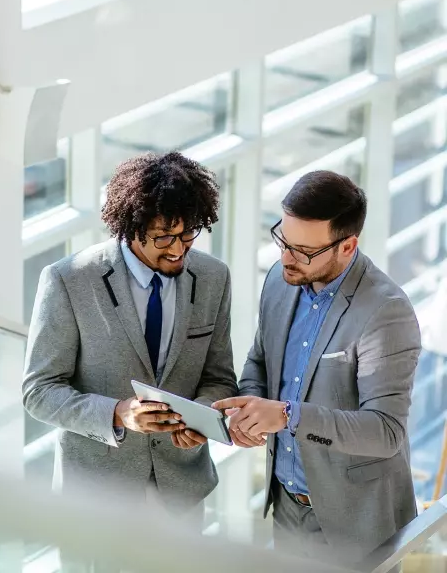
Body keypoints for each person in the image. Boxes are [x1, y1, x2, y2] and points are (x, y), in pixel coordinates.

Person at [213, 170, 421, 566]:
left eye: (304, 251)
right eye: (283, 241)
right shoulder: (279, 278)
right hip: (287, 508)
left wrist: (287, 416)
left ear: (348, 246)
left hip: (356, 522)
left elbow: (385, 431)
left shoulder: (385, 312)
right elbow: (261, 358)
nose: (286, 258)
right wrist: (252, 409)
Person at [23, 151, 238, 524]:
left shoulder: (213, 278)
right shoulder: (69, 280)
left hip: (180, 493)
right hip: (95, 502)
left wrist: (200, 419)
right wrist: (118, 414)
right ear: (130, 228)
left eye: (188, 233)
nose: (177, 248)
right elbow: (39, 391)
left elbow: (219, 378)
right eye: (163, 237)